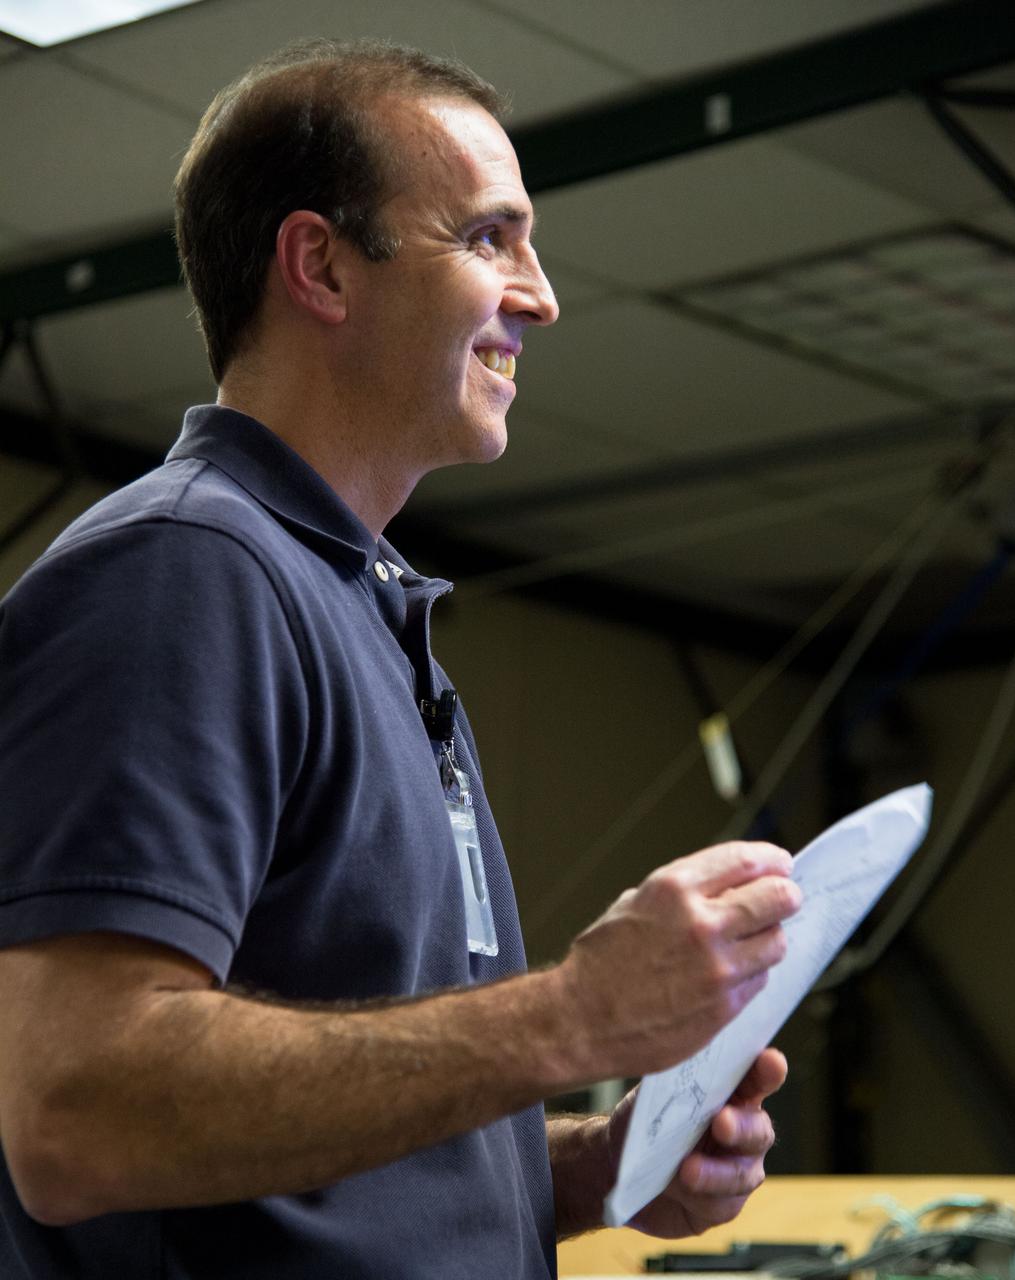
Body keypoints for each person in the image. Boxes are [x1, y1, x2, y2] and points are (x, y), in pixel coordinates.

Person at [0, 39, 801, 1279]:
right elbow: (76, 1113)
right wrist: (574, 1013)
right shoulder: (184, 572)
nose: (540, 295)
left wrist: (595, 1163)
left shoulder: (361, 607)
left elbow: (347, 1178)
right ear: (320, 264)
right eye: (487, 238)